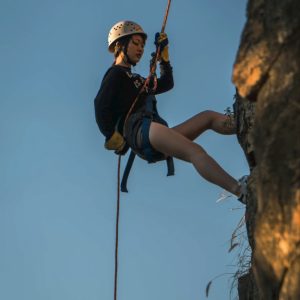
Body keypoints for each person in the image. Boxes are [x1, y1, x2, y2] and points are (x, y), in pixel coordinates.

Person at [94, 20, 247, 203]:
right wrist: (111, 135)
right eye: (135, 43)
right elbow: (100, 105)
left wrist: (164, 59)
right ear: (120, 45)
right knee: (195, 151)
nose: (140, 49)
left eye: (142, 45)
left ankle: (246, 122)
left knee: (208, 117)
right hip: (139, 129)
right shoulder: (116, 74)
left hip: (150, 131)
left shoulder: (136, 80)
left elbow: (167, 83)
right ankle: (241, 191)